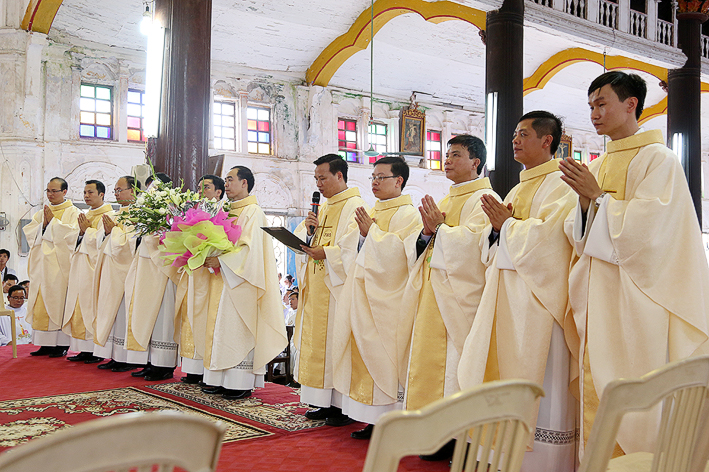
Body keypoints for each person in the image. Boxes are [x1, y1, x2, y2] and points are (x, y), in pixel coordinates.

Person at [558, 71, 709, 457]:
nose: (594, 114)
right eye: (590, 106)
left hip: (639, 300)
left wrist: (597, 199)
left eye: (601, 103)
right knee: (598, 383)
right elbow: (578, 233)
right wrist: (586, 205)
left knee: (635, 387)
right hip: (598, 296)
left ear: (631, 104)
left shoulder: (659, 160)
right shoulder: (600, 165)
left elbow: (654, 232)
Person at [458, 111, 578, 470]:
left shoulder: (562, 184)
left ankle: (545, 463)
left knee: (542, 380)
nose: (514, 140)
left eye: (523, 134)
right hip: (506, 297)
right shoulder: (517, 187)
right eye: (514, 134)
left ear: (547, 140)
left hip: (540, 302)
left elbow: (553, 241)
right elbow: (492, 241)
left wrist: (507, 226)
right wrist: (497, 230)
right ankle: (504, 454)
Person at [400, 135, 499, 460]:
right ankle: (434, 433)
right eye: (446, 155)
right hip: (432, 296)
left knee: (455, 368)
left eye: (456, 155)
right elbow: (424, 244)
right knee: (430, 368)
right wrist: (427, 232)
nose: (447, 160)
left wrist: (441, 230)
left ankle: (457, 437)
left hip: (458, 300)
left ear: (475, 162)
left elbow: (477, 248)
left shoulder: (484, 198)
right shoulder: (448, 198)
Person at [332, 156, 422, 440]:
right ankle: (370, 418)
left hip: (388, 302)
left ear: (399, 181)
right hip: (362, 297)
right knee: (363, 355)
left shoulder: (409, 215)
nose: (374, 182)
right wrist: (363, 237)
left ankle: (390, 419)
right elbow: (349, 247)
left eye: (381, 177)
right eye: (372, 177)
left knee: (385, 359)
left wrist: (371, 234)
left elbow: (403, 256)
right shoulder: (371, 210)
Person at [199, 166, 287, 399]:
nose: (226, 184)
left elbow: (250, 251)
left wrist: (221, 261)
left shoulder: (253, 212)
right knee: (221, 329)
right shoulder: (226, 210)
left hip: (242, 282)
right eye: (225, 180)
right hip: (223, 279)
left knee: (237, 329)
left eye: (230, 180)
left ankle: (239, 383)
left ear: (244, 183)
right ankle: (220, 379)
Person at [293, 154, 367, 425]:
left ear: (339, 175)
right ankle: (322, 402)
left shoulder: (355, 206)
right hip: (316, 288)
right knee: (317, 347)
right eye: (316, 179)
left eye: (322, 178)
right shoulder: (322, 208)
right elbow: (304, 241)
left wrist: (327, 253)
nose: (318, 184)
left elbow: (353, 248)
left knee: (336, 345)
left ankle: (340, 406)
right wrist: (308, 233)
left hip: (337, 290)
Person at [124, 172, 180, 380]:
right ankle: (149, 361)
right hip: (146, 268)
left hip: (163, 270)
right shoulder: (146, 211)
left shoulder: (174, 209)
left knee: (163, 317)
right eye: (148, 189)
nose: (150, 193)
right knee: (146, 314)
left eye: (154, 189)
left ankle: (164, 365)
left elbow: (173, 237)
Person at [176, 174, 226, 385]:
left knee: (205, 320)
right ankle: (192, 369)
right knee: (191, 317)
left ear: (218, 192)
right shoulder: (193, 212)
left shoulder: (224, 213)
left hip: (211, 276)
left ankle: (205, 369)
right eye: (199, 187)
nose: (201, 191)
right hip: (194, 273)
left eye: (206, 187)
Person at [24, 177, 80, 357]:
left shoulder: (74, 212)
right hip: (41, 266)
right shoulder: (41, 213)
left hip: (59, 268)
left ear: (64, 192)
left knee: (58, 302)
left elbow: (73, 236)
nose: (50, 194)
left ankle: (61, 345)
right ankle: (45, 344)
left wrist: (52, 225)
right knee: (40, 302)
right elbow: (30, 233)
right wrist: (44, 225)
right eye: (48, 191)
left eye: (54, 191)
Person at [93, 176, 140, 371]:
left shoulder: (139, 214)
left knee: (122, 314)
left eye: (120, 190)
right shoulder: (115, 214)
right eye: (115, 191)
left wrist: (113, 233)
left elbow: (131, 243)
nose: (117, 194)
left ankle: (126, 358)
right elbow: (100, 241)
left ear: (133, 191)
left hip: (125, 272)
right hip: (110, 271)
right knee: (109, 311)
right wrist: (106, 233)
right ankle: (113, 355)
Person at [62, 180, 112, 363]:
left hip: (95, 270)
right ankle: (83, 349)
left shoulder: (110, 215)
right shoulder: (84, 215)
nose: (86, 196)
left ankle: (95, 350)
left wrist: (87, 231)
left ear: (101, 194)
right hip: (80, 268)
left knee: (92, 308)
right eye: (84, 192)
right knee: (79, 306)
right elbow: (70, 239)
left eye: (90, 192)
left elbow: (105, 242)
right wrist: (82, 233)